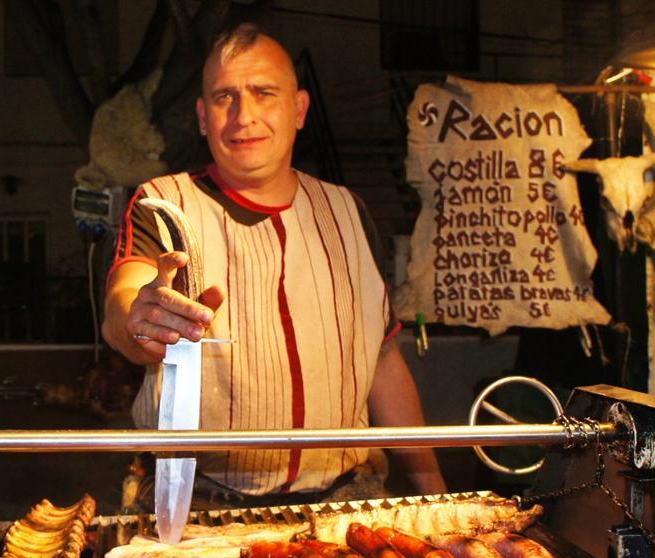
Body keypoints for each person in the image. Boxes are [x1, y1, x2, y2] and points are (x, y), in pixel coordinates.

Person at [102, 23, 445, 503]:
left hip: (347, 501)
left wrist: (436, 488)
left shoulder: (348, 211)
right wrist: (140, 320)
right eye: (225, 97)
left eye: (264, 93)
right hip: (202, 502)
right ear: (203, 117)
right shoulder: (163, 203)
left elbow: (383, 360)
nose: (243, 116)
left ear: (299, 110)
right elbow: (124, 305)